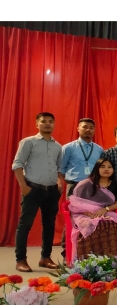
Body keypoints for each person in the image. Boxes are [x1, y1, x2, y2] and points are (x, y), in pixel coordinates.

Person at [12, 112, 64, 272]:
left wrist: (60, 182)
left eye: (50, 121)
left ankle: (45, 257)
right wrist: (23, 186)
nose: (47, 124)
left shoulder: (58, 146)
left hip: (52, 191)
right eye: (43, 121)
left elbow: (59, 168)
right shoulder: (28, 142)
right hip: (32, 189)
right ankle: (21, 260)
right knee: (25, 224)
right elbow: (17, 164)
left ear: (54, 124)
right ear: (37, 124)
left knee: (49, 225)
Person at [60, 118, 105, 258]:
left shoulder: (99, 149)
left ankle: (89, 249)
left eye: (91, 127)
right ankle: (67, 249)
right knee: (73, 218)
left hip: (93, 188)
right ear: (78, 129)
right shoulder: (68, 148)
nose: (88, 130)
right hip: (74, 186)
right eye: (85, 127)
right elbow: (61, 169)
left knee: (93, 217)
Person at [68, 158, 117, 259]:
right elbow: (76, 203)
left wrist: (106, 209)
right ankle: (86, 259)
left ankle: (108, 258)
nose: (106, 169)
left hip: (105, 212)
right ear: (97, 168)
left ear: (113, 170)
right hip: (84, 214)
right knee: (89, 224)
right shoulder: (86, 184)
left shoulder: (115, 184)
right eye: (103, 167)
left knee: (112, 224)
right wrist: (89, 214)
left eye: (109, 167)